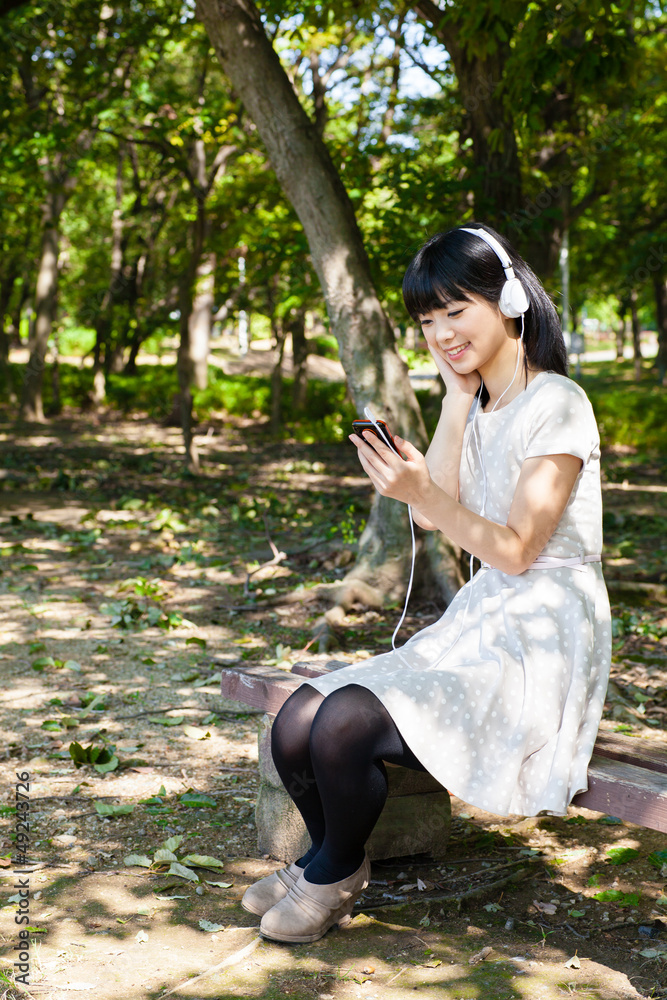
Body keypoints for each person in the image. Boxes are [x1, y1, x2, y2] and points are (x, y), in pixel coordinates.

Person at [241, 223, 611, 944]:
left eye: (456, 310)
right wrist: (449, 400)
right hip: (485, 620)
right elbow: (438, 516)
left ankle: (328, 875)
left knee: (346, 722)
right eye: (426, 320)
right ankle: (328, 862)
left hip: (542, 636)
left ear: (506, 300)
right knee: (297, 723)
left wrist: (426, 494)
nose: (441, 332)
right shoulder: (476, 402)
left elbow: (513, 549)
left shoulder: (557, 403)